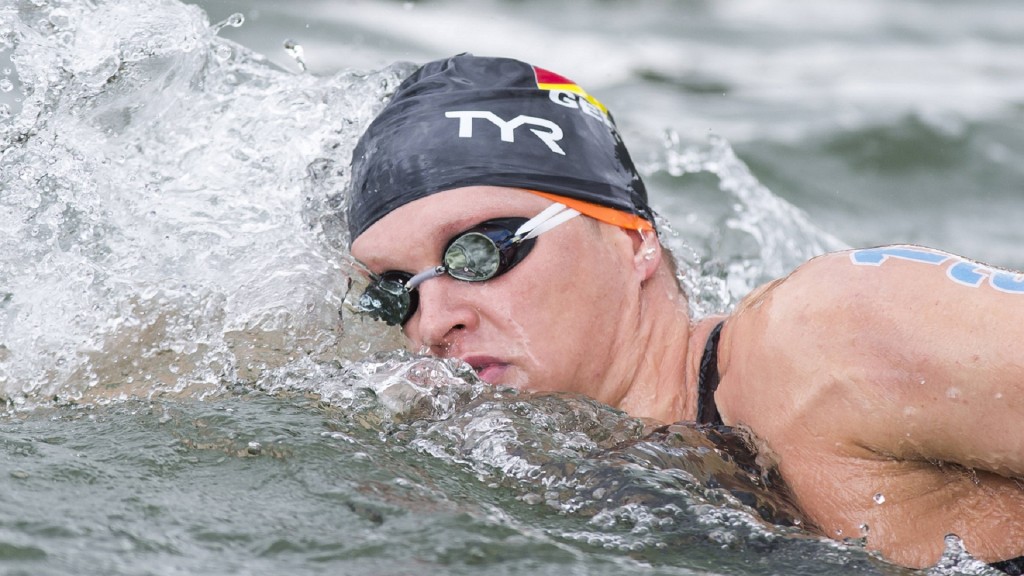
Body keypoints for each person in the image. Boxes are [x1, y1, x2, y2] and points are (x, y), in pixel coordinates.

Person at [345, 53, 1024, 572]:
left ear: (634, 240)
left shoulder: (832, 339)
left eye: (479, 251)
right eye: (395, 290)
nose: (432, 321)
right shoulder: (528, 470)